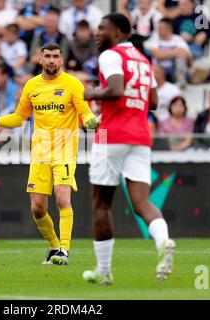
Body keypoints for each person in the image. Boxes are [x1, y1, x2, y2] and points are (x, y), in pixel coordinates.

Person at [82, 13, 175, 285]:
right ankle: (163, 241)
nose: (98, 33)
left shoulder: (111, 56)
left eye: (103, 29)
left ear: (119, 33)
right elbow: (154, 102)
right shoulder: (144, 61)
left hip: (112, 135)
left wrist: (90, 94)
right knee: (142, 202)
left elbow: (115, 89)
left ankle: (104, 271)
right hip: (140, 135)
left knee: (101, 204)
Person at [0, 42, 99, 266]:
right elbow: (19, 118)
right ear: (40, 59)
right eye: (47, 56)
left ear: (61, 60)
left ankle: (65, 250)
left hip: (65, 150)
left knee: (62, 198)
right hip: (39, 152)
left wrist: (91, 123)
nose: (51, 60)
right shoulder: (31, 86)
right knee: (38, 208)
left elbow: (85, 112)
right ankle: (53, 246)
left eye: (55, 56)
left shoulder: (72, 84)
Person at [144, 17, 192, 86]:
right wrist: (174, 52)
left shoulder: (178, 39)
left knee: (181, 57)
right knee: (154, 68)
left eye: (161, 28)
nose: (158, 30)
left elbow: (189, 59)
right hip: (159, 69)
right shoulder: (154, 38)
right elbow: (157, 54)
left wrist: (184, 54)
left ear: (169, 29)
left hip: (173, 70)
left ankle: (180, 82)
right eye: (158, 28)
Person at [28, 8, 68, 75]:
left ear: (57, 23)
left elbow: (62, 60)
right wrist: (54, 57)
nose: (50, 24)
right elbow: (33, 58)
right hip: (37, 71)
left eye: (52, 22)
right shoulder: (38, 37)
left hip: (57, 70)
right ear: (44, 23)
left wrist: (41, 54)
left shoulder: (63, 38)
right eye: (48, 22)